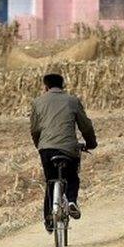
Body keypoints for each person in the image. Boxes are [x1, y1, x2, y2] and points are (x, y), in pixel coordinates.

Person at [30, 73, 97, 234]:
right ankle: (72, 201)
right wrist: (91, 143)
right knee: (72, 176)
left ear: (45, 87)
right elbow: (85, 126)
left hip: (46, 149)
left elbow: (34, 129)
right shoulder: (72, 101)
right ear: (63, 86)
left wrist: (40, 145)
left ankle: (48, 219)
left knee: (51, 181)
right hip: (69, 149)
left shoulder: (37, 103)